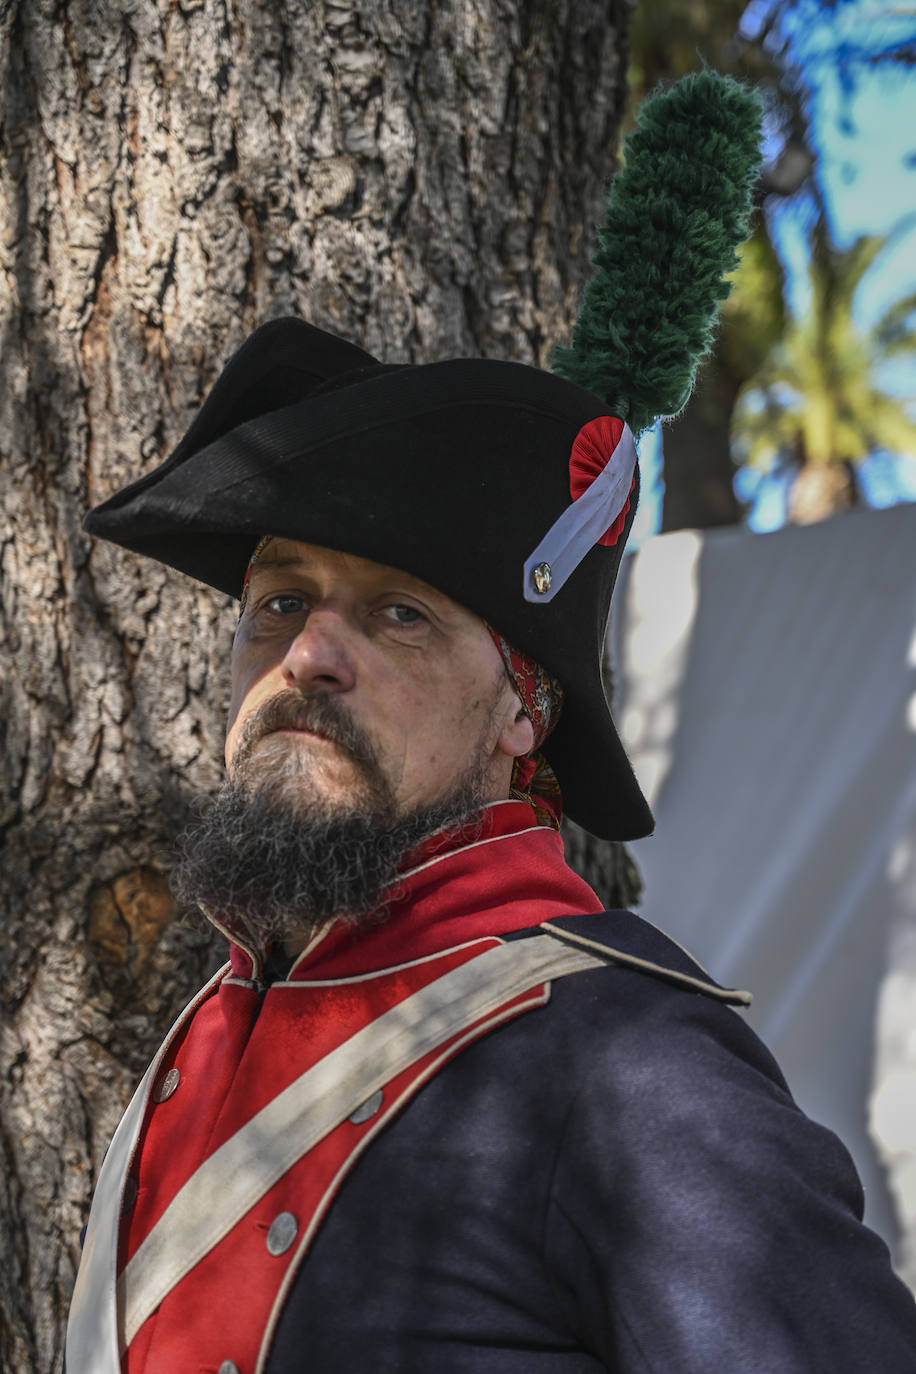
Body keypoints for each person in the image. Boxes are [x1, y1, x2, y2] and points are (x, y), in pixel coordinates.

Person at [66, 74, 916, 1373]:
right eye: (278, 599)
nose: (309, 655)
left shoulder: (632, 1069)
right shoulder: (202, 1035)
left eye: (400, 613)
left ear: (527, 704)